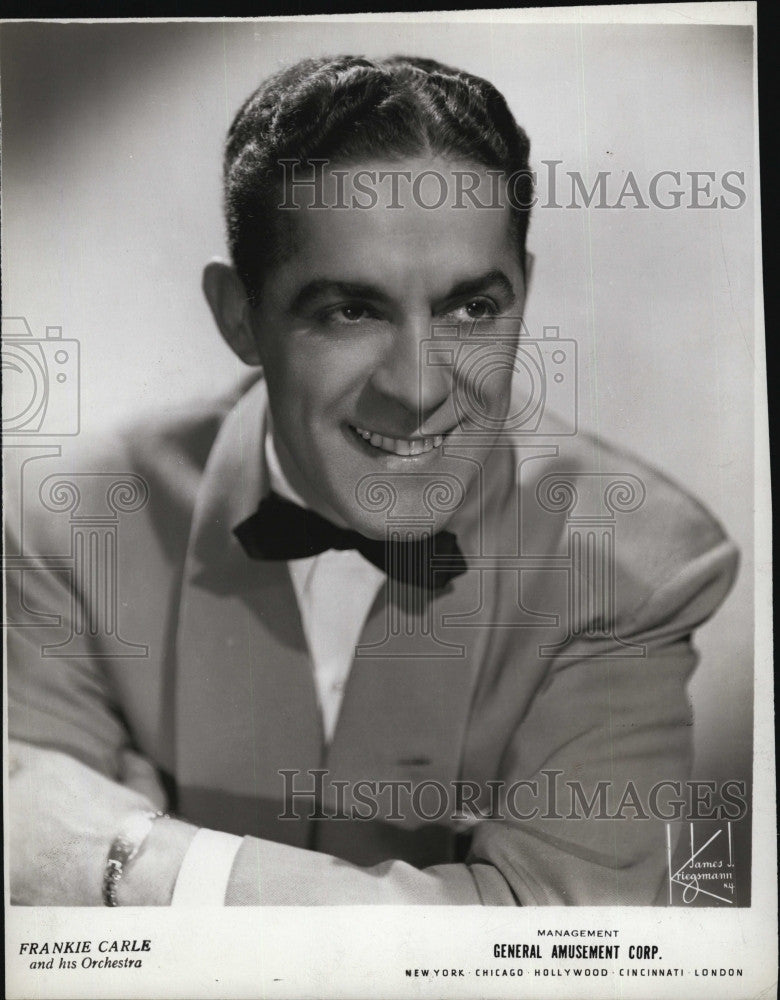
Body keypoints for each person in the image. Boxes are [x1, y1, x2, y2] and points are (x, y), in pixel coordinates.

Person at [7, 54, 739, 906]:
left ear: (525, 294)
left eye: (472, 309)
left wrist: (152, 860)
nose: (420, 388)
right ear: (239, 316)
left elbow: (556, 942)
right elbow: (34, 915)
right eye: (351, 312)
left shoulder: (640, 565)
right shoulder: (71, 526)